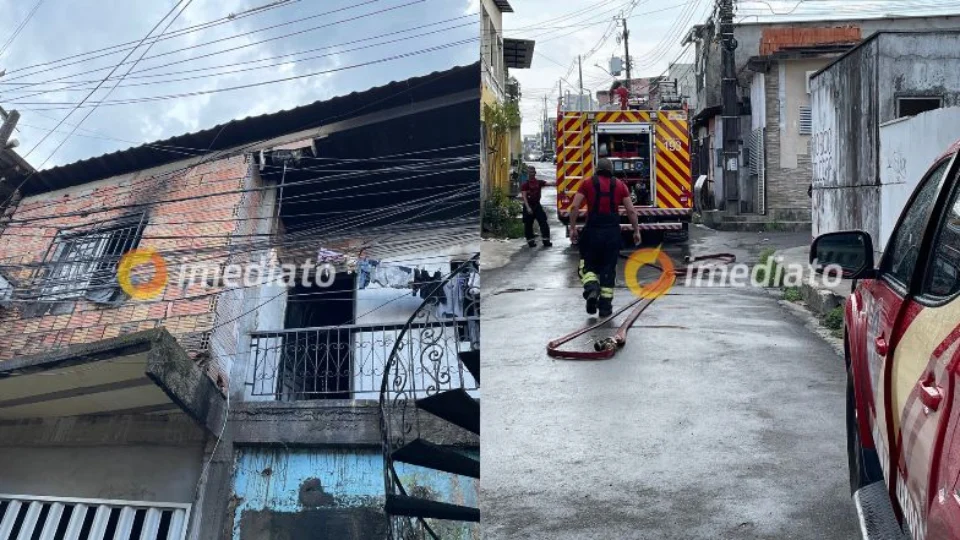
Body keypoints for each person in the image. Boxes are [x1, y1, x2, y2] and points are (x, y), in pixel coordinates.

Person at [569, 158, 641, 317]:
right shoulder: (620, 185)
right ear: (611, 170)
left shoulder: (587, 183)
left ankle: (592, 288)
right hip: (612, 234)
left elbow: (575, 206)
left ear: (596, 169)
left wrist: (572, 228)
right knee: (608, 269)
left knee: (586, 266)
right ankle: (605, 308)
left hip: (592, 233)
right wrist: (636, 231)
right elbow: (631, 211)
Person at [520, 165, 552, 248]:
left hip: (537, 205)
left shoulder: (539, 182)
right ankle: (531, 241)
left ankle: (546, 240)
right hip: (528, 206)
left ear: (535, 173)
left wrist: (560, 182)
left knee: (543, 222)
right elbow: (524, 197)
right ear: (528, 173)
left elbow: (549, 183)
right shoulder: (525, 185)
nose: (531, 174)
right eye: (530, 172)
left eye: (533, 172)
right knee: (528, 225)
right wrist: (528, 208)